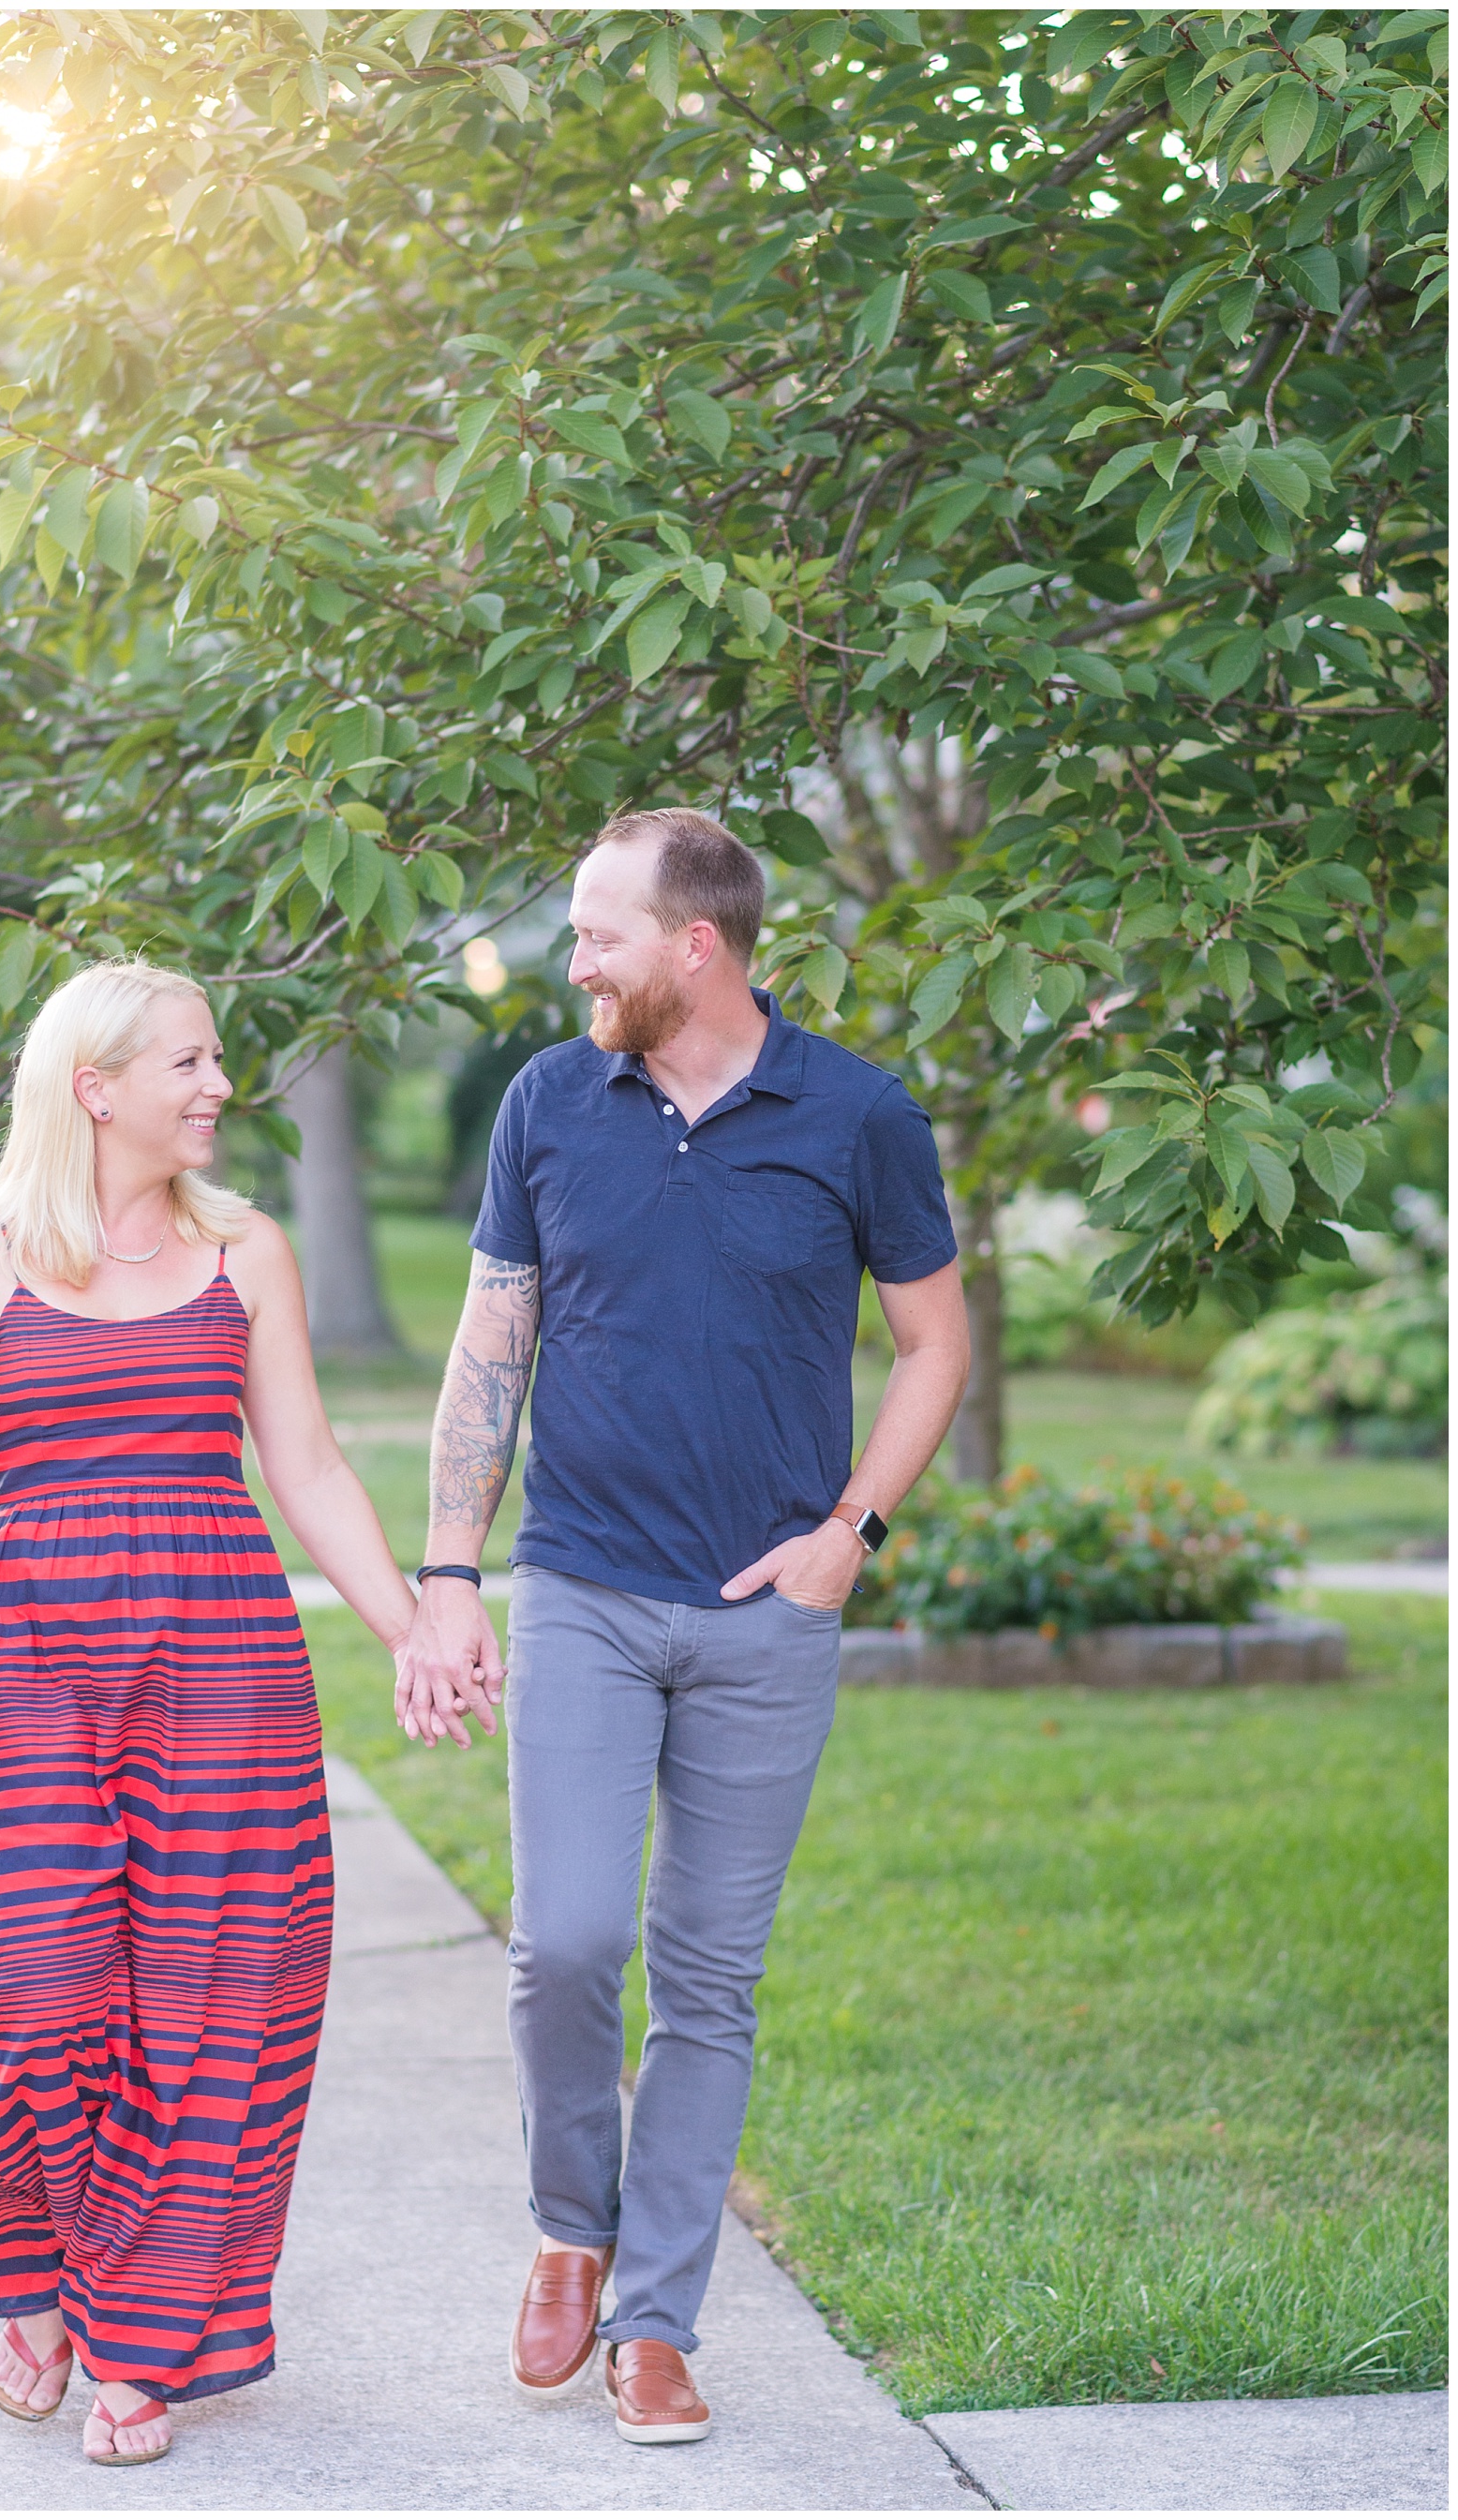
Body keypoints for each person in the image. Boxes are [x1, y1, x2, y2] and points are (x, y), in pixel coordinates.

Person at [395, 808, 971, 2444]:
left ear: (695, 945)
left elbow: (935, 1344)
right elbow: (492, 1343)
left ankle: (655, 2322)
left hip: (764, 1618)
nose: (576, 961)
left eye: (601, 934)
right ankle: (569, 2230)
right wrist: (451, 1572)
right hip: (583, 1588)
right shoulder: (548, 1101)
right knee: (568, 1941)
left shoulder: (858, 1115)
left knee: (710, 1981)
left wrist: (850, 1535)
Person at [0, 960, 422, 2467]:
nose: (217, 1087)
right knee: (41, 1981)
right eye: (187, 1062)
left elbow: (306, 1462)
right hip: (31, 1661)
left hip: (222, 1664)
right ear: (96, 1085)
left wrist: (410, 1625)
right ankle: (33, 2269)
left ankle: (134, 2341)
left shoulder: (245, 1250)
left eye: (215, 1060)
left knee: (210, 1999)